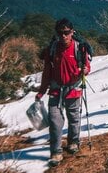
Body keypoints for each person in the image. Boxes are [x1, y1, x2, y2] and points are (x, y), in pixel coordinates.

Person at [35, 18, 91, 165]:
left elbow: (87, 65)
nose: (63, 36)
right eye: (60, 33)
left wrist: (85, 70)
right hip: (55, 90)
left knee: (74, 118)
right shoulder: (52, 49)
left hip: (73, 88)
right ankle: (56, 152)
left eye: (66, 32)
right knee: (55, 121)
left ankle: (73, 142)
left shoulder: (80, 48)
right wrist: (41, 91)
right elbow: (47, 72)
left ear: (72, 32)